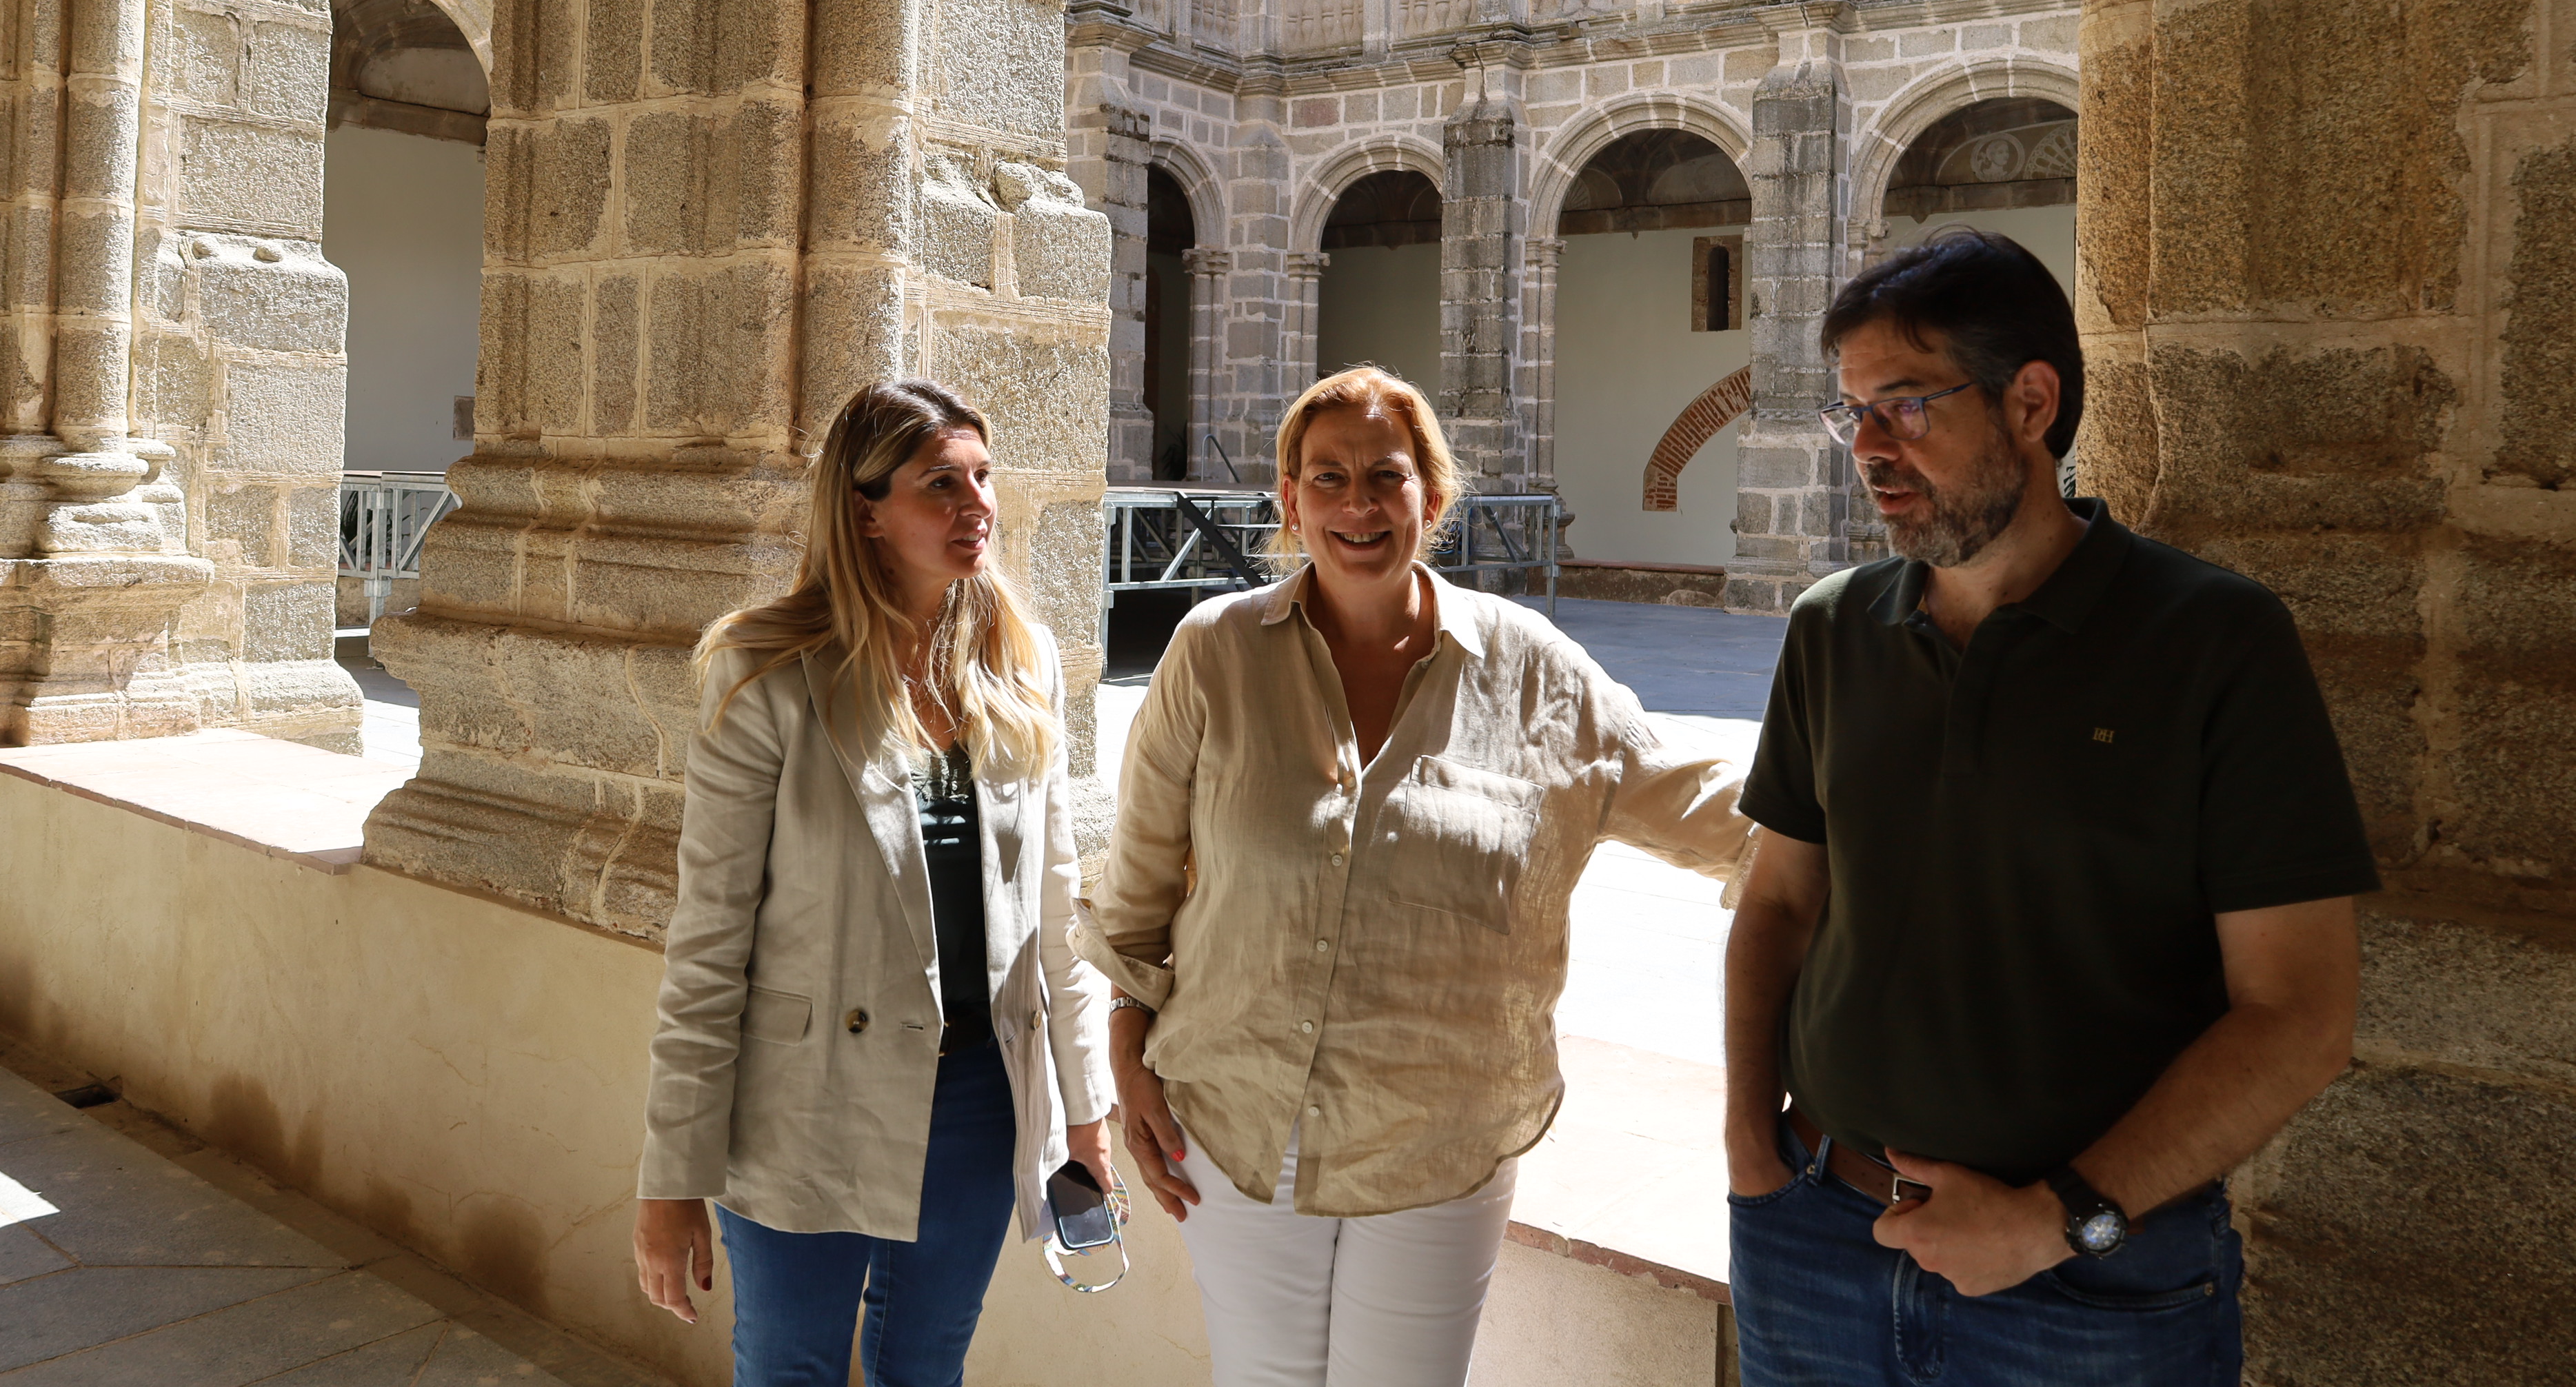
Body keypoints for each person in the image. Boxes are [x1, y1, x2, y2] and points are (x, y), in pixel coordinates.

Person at [1724, 229, 2376, 1385]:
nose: (1867, 450)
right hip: (1819, 1242)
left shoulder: (2212, 641)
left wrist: (2055, 1221)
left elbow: (2301, 1013)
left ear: (2032, 401)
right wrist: (1749, 1148)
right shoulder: (1832, 627)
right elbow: (1778, 900)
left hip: (2092, 1287)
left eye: (1907, 406)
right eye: (1852, 413)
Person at [1074, 365, 1753, 1386]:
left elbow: (1698, 801)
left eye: (1384, 477)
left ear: (1431, 500)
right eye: (1328, 477)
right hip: (1236, 1123)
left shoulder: (1532, 671)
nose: (1357, 505)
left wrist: (1884, 825)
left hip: (1436, 1139)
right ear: (1291, 501)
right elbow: (1134, 898)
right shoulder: (1214, 652)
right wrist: (1126, 1058)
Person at [633, 379, 1116, 1385]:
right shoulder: (768, 673)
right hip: (804, 1101)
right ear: (867, 512)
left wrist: (1087, 1111)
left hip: (981, 1099)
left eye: (983, 477)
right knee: (790, 1370)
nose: (976, 504)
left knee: (923, 1371)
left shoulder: (1018, 669)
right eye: (941, 483)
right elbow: (709, 941)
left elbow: (1056, 923)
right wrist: (670, 1178)